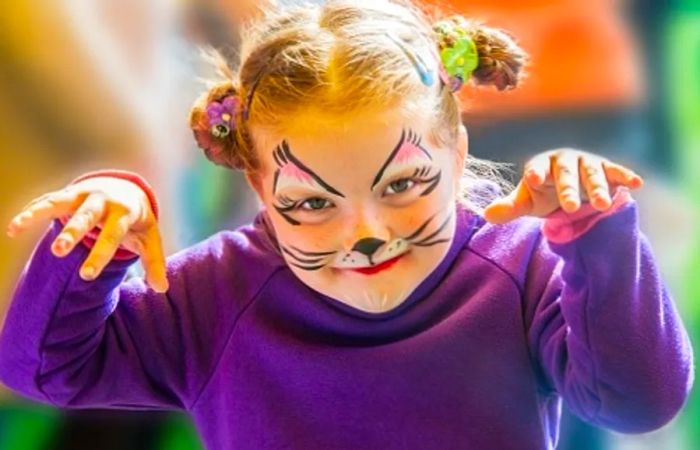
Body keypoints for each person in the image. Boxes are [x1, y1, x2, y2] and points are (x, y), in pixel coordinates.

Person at [0, 1, 693, 449]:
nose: (364, 232)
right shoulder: (216, 291)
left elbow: (638, 401)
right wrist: (93, 242)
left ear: (456, 154)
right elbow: (44, 372)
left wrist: (596, 240)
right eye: (311, 203)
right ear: (259, 184)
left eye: (403, 184)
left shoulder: (522, 264)